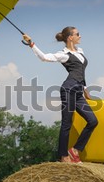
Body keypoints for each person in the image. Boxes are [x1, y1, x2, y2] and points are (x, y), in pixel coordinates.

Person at [23, 27, 98, 163]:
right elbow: (44, 58)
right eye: (77, 34)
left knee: (93, 121)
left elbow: (81, 71)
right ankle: (63, 156)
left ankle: (75, 150)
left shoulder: (80, 51)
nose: (80, 36)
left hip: (79, 92)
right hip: (68, 90)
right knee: (66, 124)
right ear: (70, 37)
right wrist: (31, 44)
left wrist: (85, 89)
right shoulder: (63, 54)